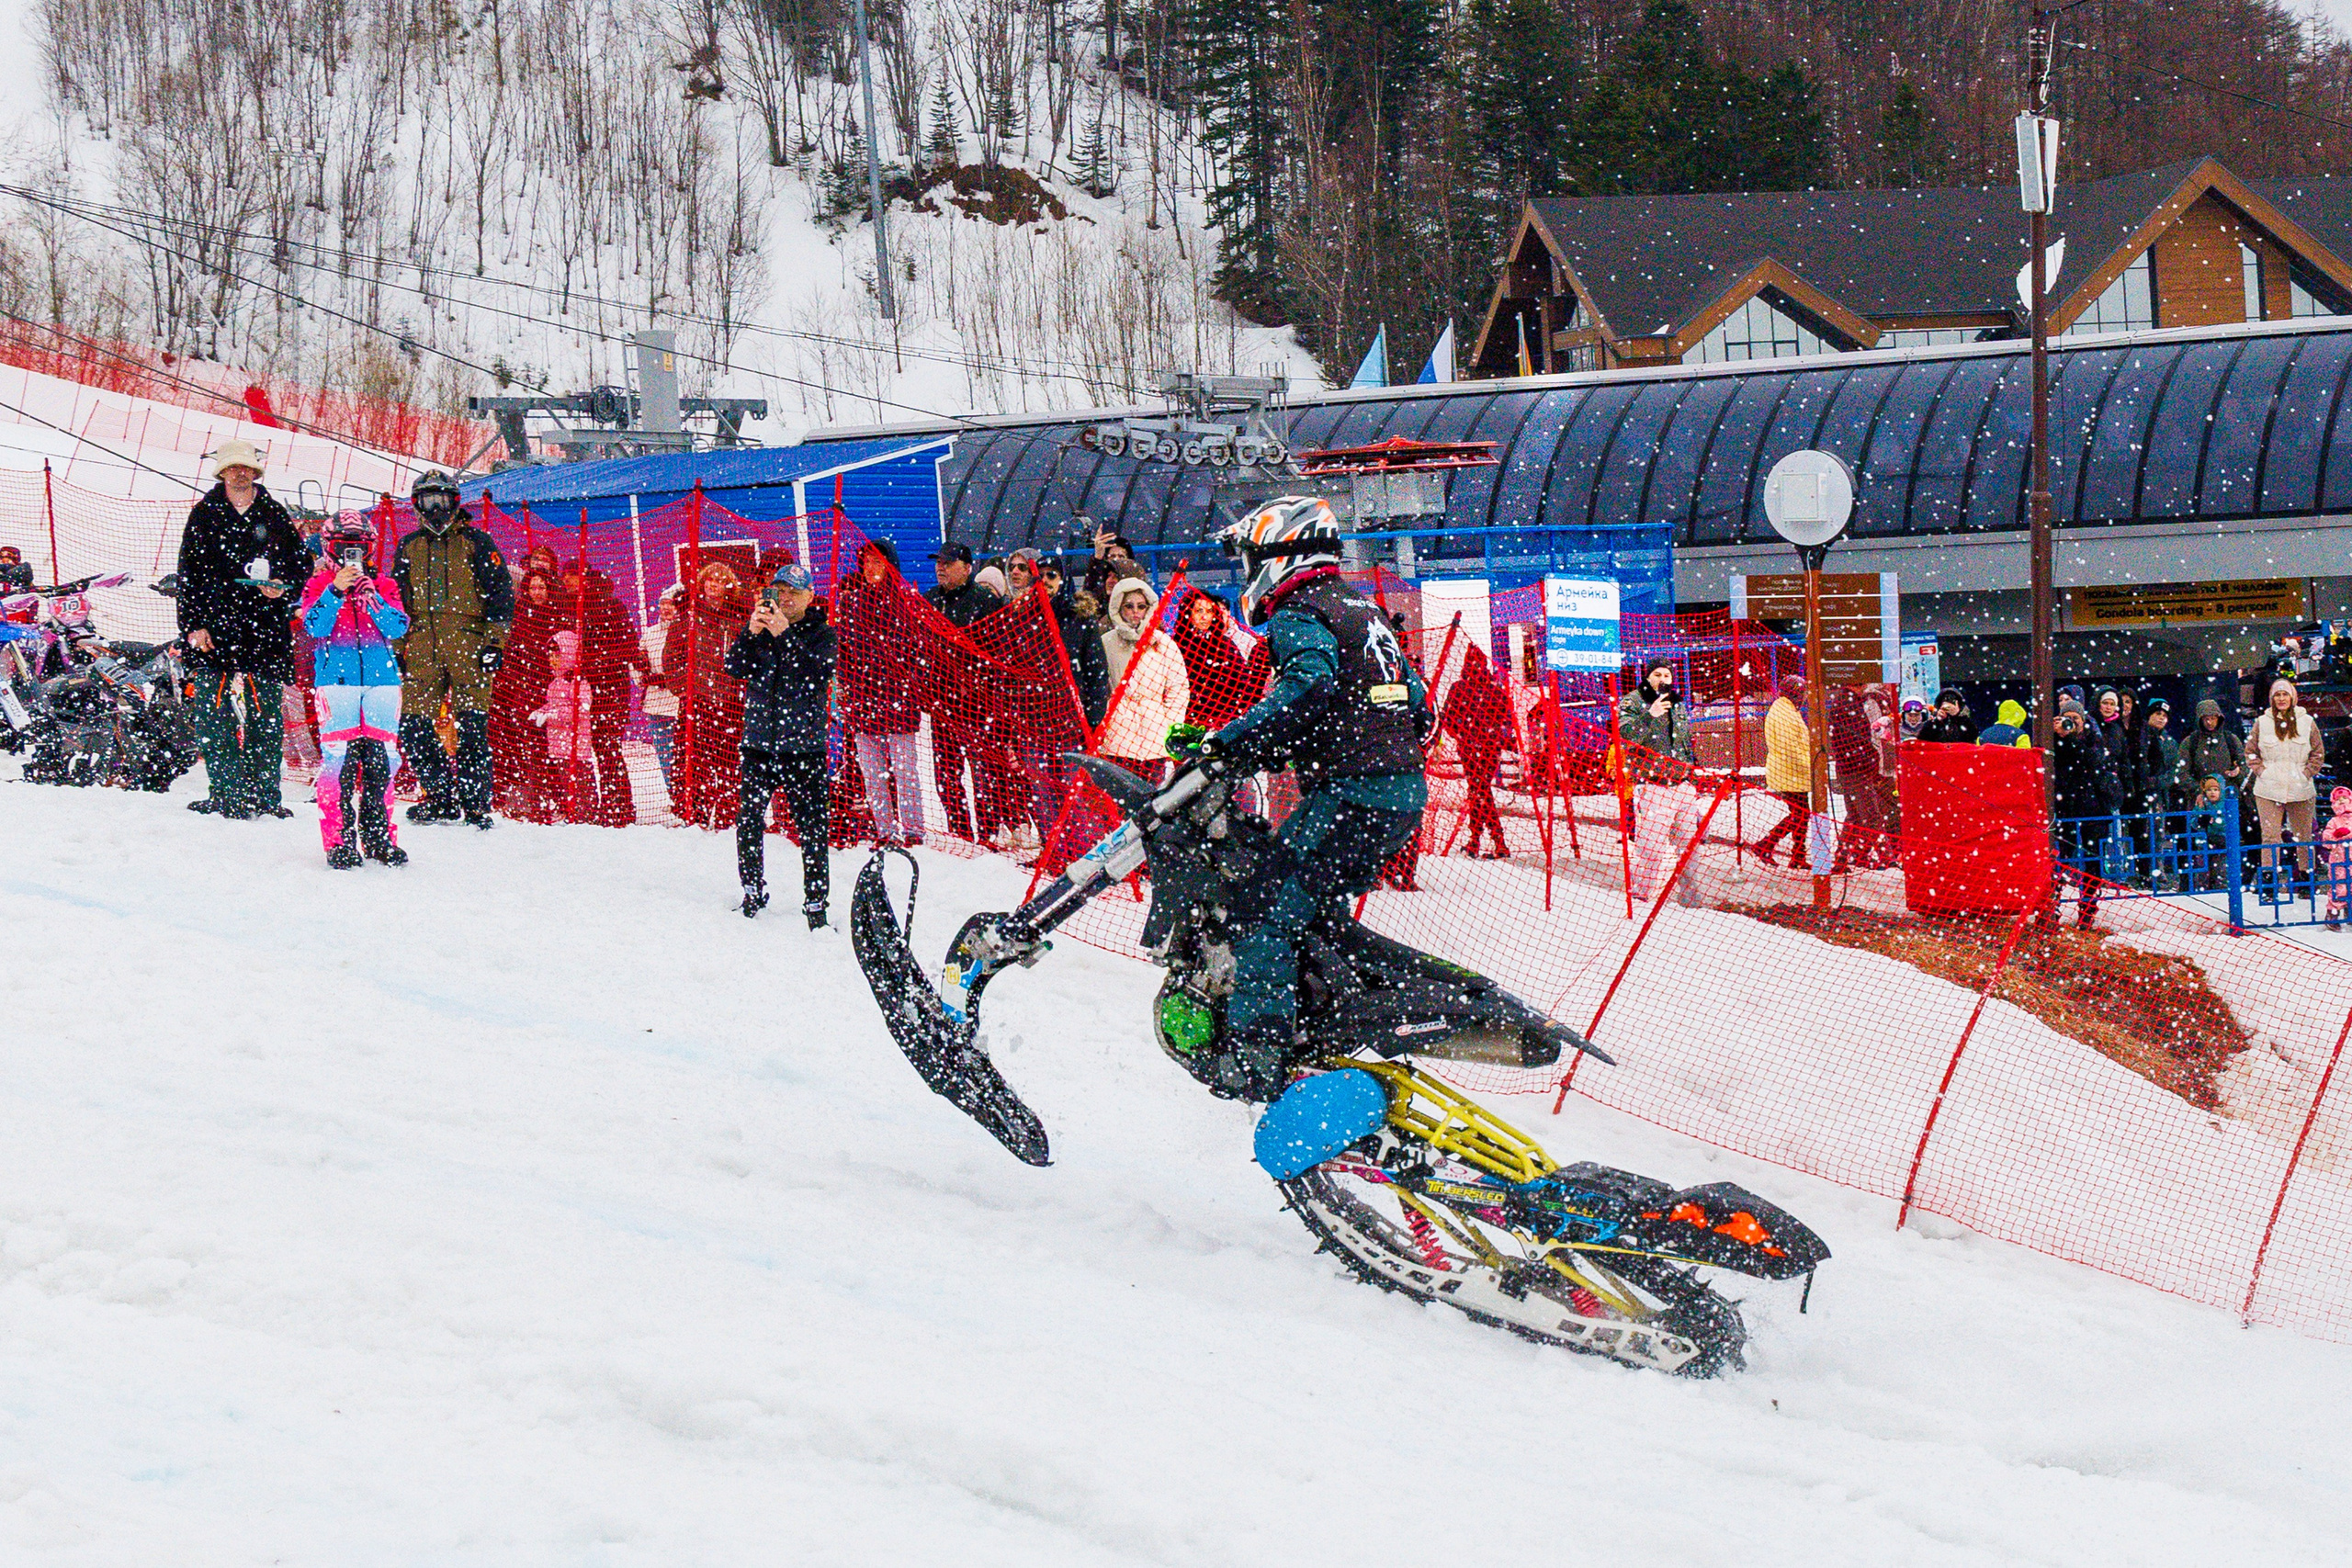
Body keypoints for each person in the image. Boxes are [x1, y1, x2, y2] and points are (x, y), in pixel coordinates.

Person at [1169, 496, 1430, 1101]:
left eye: (1253, 557)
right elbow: (1417, 706)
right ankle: (1320, 1018)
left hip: (1354, 792)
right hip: (1399, 792)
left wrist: (1229, 746)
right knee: (1306, 902)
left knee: (1262, 909)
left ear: (1280, 554)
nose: (1248, 571)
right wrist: (1308, 746)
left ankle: (1257, 1056)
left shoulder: (1298, 610)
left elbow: (1308, 685)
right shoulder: (1362, 608)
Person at [175, 438, 311, 819]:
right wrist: (194, 625)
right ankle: (224, 795)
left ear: (254, 471)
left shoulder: (273, 513)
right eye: (232, 467)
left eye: (245, 467)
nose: (239, 473)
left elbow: (300, 565)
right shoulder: (205, 513)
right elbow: (189, 575)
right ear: (222, 472)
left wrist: (280, 586)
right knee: (213, 717)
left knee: (265, 717)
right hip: (214, 627)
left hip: (264, 629)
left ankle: (264, 797)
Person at [392, 471, 513, 829]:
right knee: (413, 725)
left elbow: (501, 595)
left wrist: (495, 643)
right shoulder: (409, 546)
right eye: (427, 501)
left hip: (469, 645)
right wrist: (399, 647)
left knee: (472, 727)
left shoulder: (477, 542)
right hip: (422, 646)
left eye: (441, 500)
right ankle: (440, 797)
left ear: (455, 502)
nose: (434, 508)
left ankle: (475, 805)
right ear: (416, 505)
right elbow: (398, 603)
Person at [725, 565, 837, 926]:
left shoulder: (823, 634)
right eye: (779, 591)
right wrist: (750, 632)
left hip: (803, 749)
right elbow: (734, 667)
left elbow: (812, 675)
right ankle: (753, 890)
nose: (785, 598)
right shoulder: (762, 629)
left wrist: (785, 634)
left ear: (809, 596)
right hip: (759, 746)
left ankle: (817, 903)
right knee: (749, 821)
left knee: (812, 829)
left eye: (793, 592)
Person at [298, 518, 411, 867]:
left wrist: (372, 597)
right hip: (337, 682)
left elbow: (398, 626)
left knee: (382, 762)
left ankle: (380, 839)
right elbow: (313, 625)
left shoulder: (385, 583)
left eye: (360, 545)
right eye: (347, 545)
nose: (354, 553)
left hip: (382, 682)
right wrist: (334, 591)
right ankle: (339, 841)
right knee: (338, 764)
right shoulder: (317, 583)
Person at [837, 539, 926, 846]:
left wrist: (908, 687)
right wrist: (847, 688)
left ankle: (913, 830)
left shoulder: (907, 604)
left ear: (890, 566)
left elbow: (916, 653)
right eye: (867, 562)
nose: (871, 568)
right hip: (863, 700)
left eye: (878, 562)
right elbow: (844, 653)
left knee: (905, 772)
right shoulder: (851, 603)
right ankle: (883, 830)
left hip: (898, 699)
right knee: (872, 773)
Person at [924, 542, 1004, 842]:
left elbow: (1000, 652)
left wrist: (979, 683)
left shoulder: (985, 601)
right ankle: (960, 831)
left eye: (948, 562)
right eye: (938, 562)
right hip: (941, 703)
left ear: (968, 568)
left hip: (978, 704)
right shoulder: (929, 600)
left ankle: (987, 832)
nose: (940, 567)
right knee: (946, 772)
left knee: (984, 772)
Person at [563, 561, 648, 826]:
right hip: (585, 688)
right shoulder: (569, 607)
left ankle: (618, 805)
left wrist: (590, 664)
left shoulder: (609, 606)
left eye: (571, 577)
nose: (567, 582)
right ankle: (593, 803)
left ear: (584, 578)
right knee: (584, 749)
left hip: (610, 688)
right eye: (565, 578)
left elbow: (628, 647)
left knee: (607, 748)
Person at [1097, 576, 1190, 784]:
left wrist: (1169, 725)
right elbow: (1098, 687)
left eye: (1141, 606)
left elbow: (1178, 688)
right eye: (1128, 606)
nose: (1135, 612)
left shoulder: (1164, 643)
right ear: (1118, 608)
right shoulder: (1106, 642)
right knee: (1119, 797)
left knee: (1151, 798)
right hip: (1116, 735)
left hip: (1154, 736)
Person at [2246, 675, 2327, 897]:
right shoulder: (2261, 722)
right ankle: (2269, 884)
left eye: (2285, 694)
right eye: (2277, 695)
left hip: (2301, 787)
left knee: (2304, 836)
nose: (2281, 698)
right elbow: (2251, 751)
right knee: (2270, 837)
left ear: (2292, 697)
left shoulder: (2307, 721)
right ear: (2272, 698)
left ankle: (2306, 882)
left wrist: (2306, 774)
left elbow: (2318, 752)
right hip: (2268, 788)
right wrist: (2262, 771)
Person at [490, 570, 561, 812]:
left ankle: (557, 797)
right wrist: (518, 680)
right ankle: (533, 796)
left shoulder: (557, 614)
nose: (537, 593)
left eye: (542, 587)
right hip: (525, 688)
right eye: (533, 588)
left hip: (552, 688)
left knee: (552, 746)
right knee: (527, 744)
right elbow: (511, 653)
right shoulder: (519, 616)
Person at [1442, 643, 1514, 858]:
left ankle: (1480, 839)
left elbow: (1447, 718)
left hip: (1469, 746)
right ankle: (1494, 839)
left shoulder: (1459, 688)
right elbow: (1506, 717)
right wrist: (1497, 737)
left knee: (1478, 790)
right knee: (1481, 790)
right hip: (1490, 747)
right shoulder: (1495, 689)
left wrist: (1461, 734)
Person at [2052, 696, 2118, 926]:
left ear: (2083, 720)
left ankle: (2088, 910)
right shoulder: (2055, 739)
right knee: (2061, 861)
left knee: (2093, 862)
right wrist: (2057, 736)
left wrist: (2070, 739)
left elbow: (2092, 760)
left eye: (2075, 719)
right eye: (2066, 719)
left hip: (2093, 808)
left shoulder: (2093, 737)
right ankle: (2053, 907)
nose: (2070, 723)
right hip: (2065, 808)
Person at [530, 630, 594, 821]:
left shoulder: (578, 681)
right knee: (566, 780)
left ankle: (586, 814)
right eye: (549, 655)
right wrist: (541, 711)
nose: (552, 660)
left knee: (581, 783)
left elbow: (581, 709)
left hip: (576, 746)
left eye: (556, 655)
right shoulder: (555, 682)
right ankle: (571, 811)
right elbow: (554, 705)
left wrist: (554, 715)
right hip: (559, 745)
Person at [1749, 676, 1814, 867]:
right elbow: (1791, 747)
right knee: (1800, 815)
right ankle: (1767, 845)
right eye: (1800, 693)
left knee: (1800, 815)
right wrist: (1810, 767)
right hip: (1790, 772)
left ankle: (1796, 855)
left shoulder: (1785, 709)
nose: (1802, 697)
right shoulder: (1784, 713)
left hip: (1791, 771)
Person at [638, 587, 684, 795]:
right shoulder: (651, 633)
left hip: (678, 702)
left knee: (681, 752)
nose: (666, 608)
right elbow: (637, 661)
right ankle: (673, 793)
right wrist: (643, 677)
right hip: (655, 702)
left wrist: (671, 680)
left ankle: (685, 794)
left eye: (671, 603)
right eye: (663, 603)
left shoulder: (685, 631)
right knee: (664, 752)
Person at [1616, 659, 1691, 765]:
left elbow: (1685, 741)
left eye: (1666, 676)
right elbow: (1626, 736)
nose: (1662, 680)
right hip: (1646, 774)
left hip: (1679, 774)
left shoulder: (1677, 703)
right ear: (1648, 677)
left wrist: (1689, 766)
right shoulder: (1633, 700)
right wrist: (1650, 715)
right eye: (1657, 675)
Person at [2177, 699, 2245, 797]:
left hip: (2228, 797)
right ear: (2200, 720)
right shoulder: (2190, 742)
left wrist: (2238, 774)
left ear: (2219, 718)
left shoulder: (2231, 740)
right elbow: (2182, 773)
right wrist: (2201, 791)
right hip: (2199, 799)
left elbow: (2245, 768)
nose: (2209, 722)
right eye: (2206, 719)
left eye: (2213, 718)